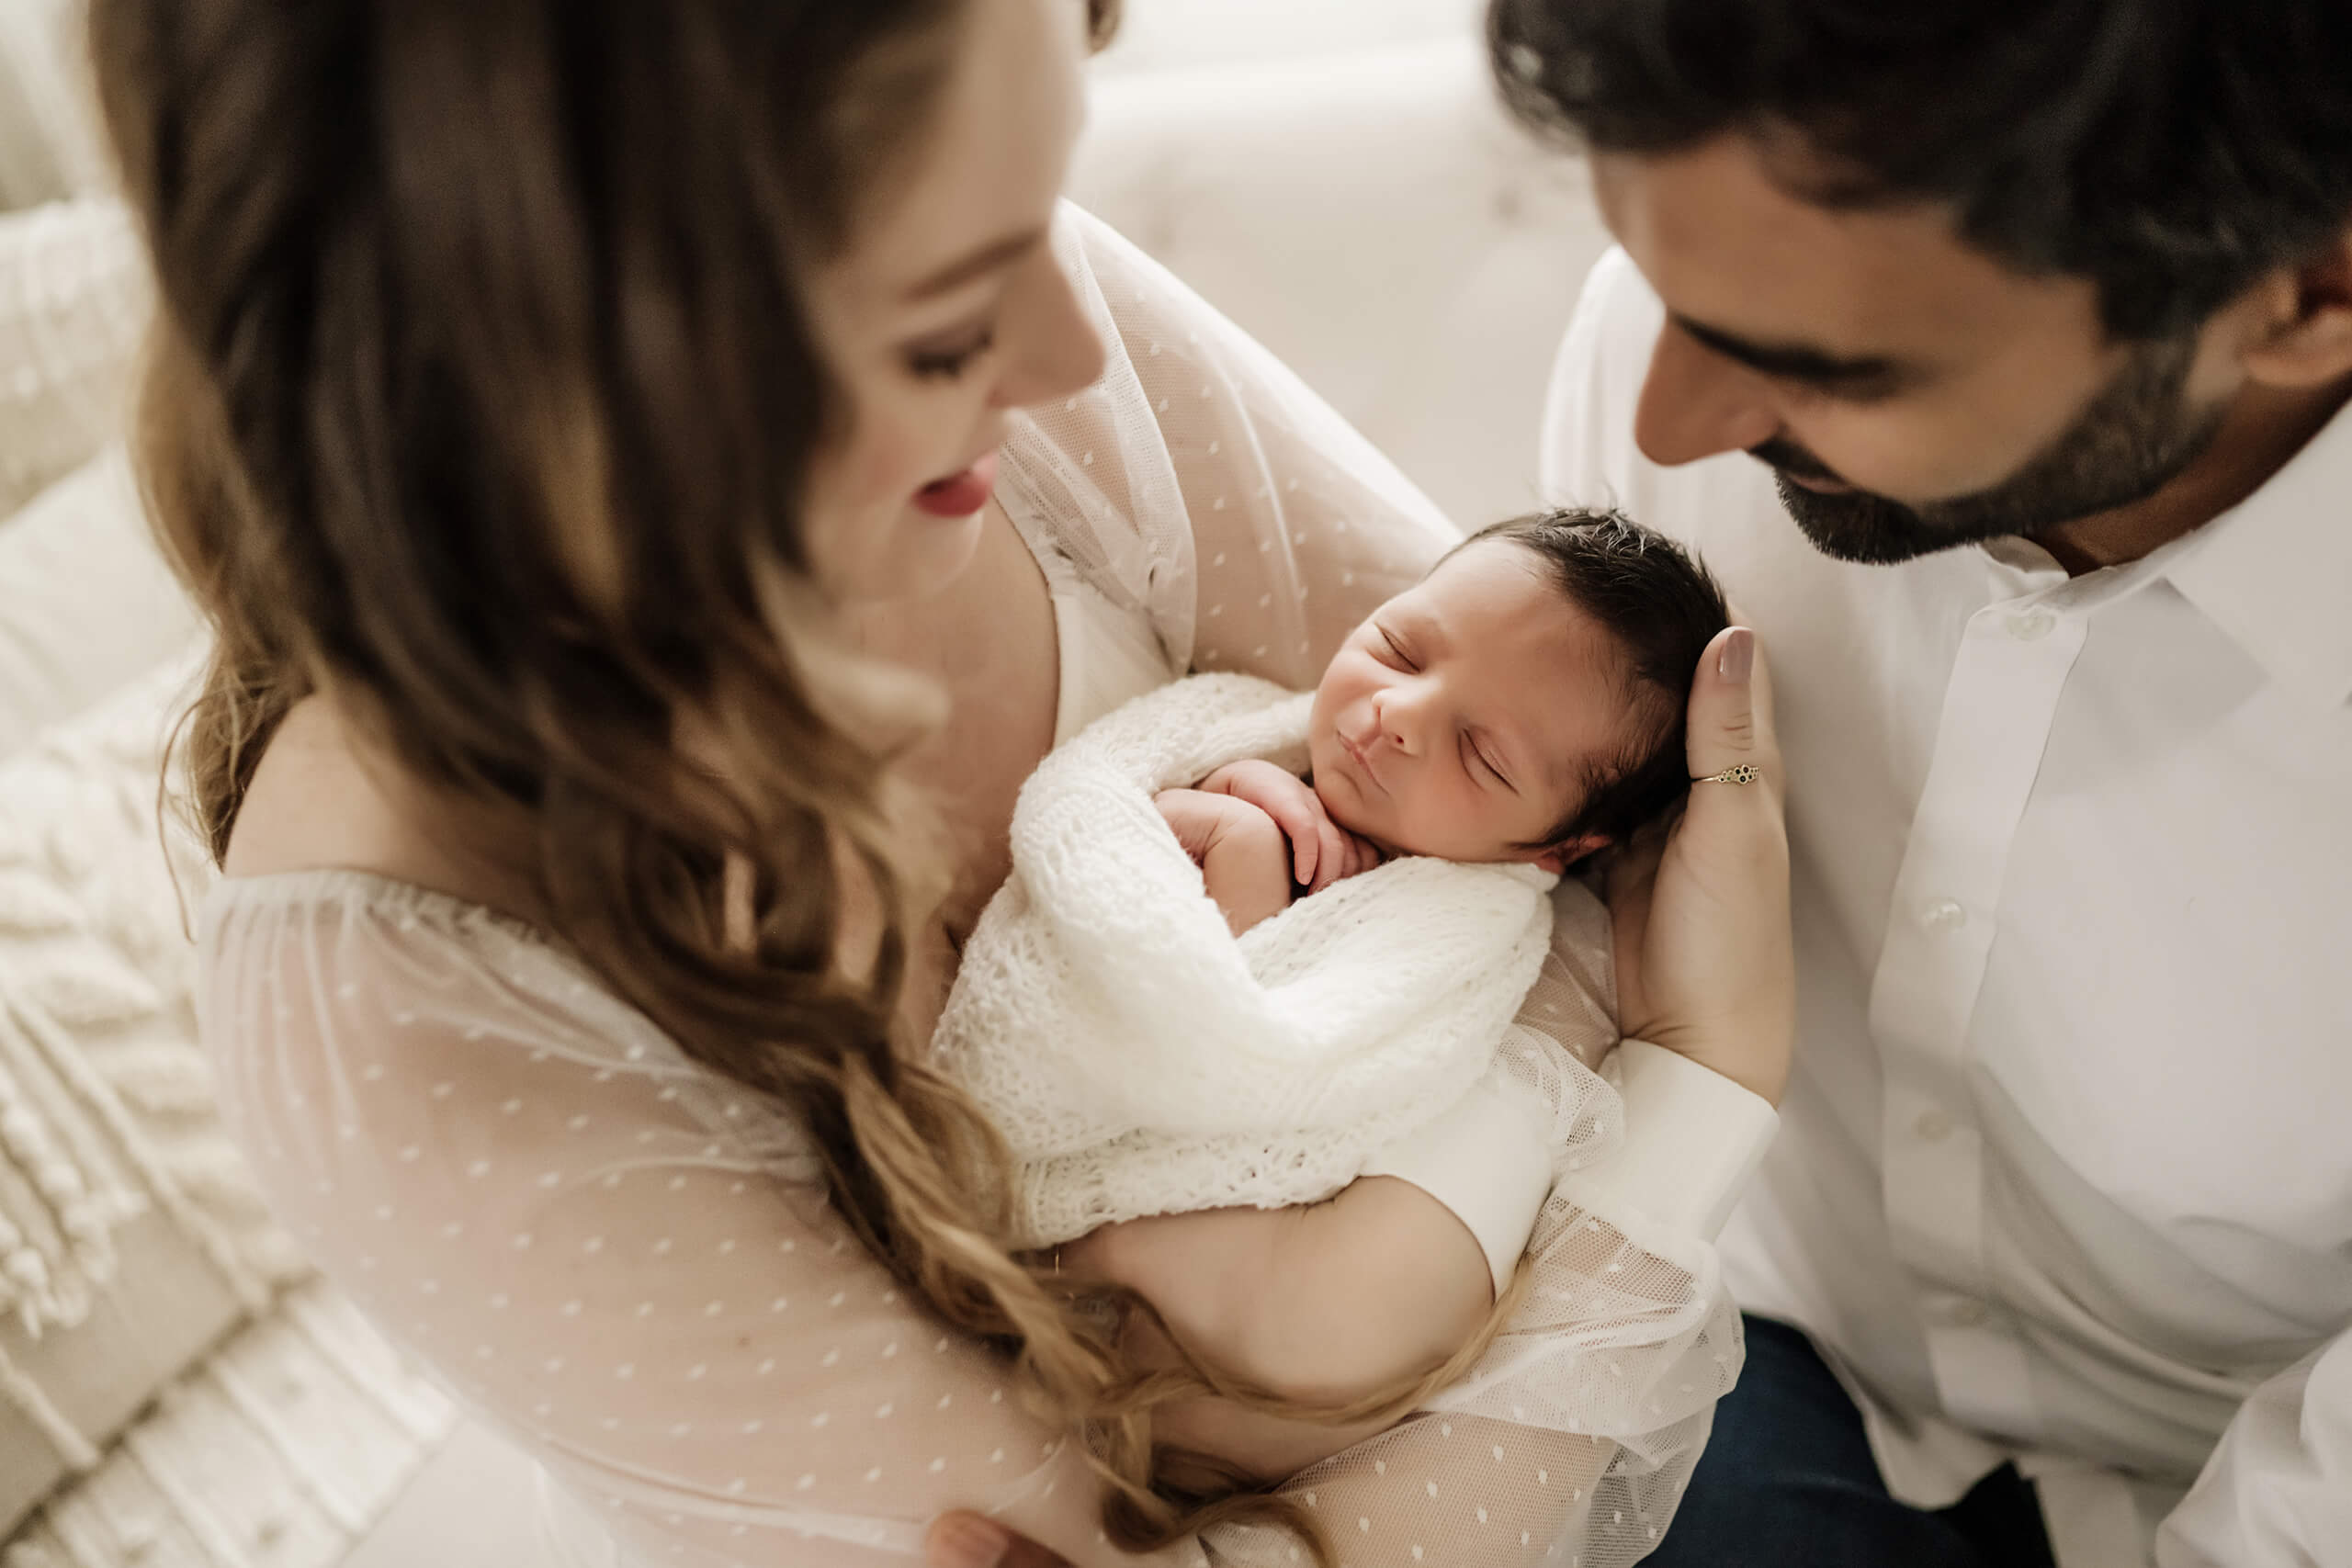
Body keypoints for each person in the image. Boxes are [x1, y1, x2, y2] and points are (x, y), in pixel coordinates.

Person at [92, 0, 1794, 1564]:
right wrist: (1689, 1081)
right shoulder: (400, 990)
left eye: (1044, 207)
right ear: (578, 372)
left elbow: (1548, 866)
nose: (1071, 347)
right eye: (932, 330)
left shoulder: (1038, 364)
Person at [1487, 0, 2352, 1563]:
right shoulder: (1703, 335)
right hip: (1734, 1312)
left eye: (1830, 368)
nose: (1666, 419)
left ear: (2310, 293)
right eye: (1666, 290)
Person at [930, 512, 1731, 1490]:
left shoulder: (1458, 925)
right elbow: (1094, 856)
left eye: (1480, 755)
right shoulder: (1238, 734)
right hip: (1037, 1160)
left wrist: (1243, 857)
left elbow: (1259, 1057)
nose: (1398, 712)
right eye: (1400, 647)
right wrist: (1223, 807)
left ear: (1556, 849)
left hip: (1214, 1301)